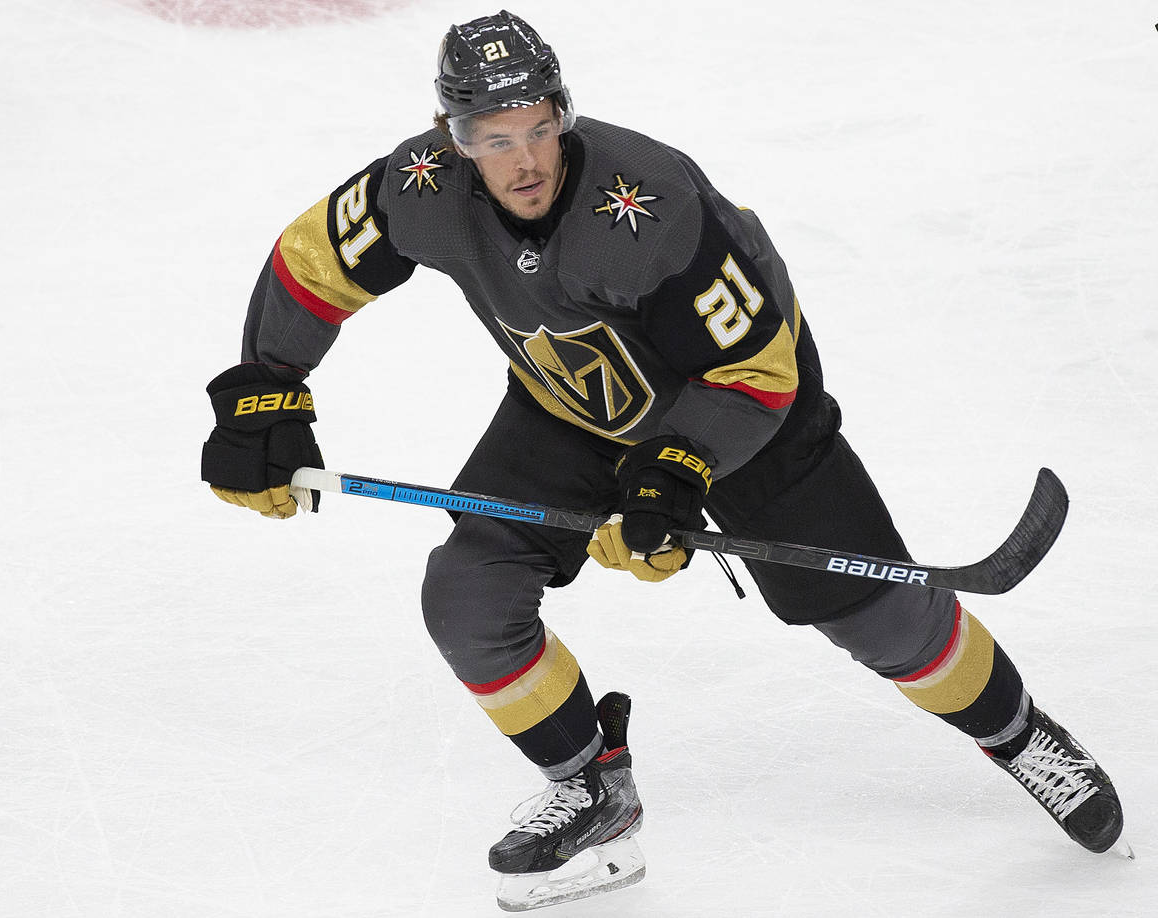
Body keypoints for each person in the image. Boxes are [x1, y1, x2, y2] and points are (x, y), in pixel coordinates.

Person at [200, 10, 1126, 910]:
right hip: (573, 407)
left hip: (746, 410)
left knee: (880, 620)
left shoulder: (651, 205)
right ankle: (593, 789)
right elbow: (311, 260)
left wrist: (674, 469)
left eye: (539, 128)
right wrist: (264, 390)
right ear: (453, 134)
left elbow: (757, 368)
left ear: (563, 112)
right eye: (493, 136)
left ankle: (1018, 735)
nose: (523, 160)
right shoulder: (422, 184)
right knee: (468, 596)